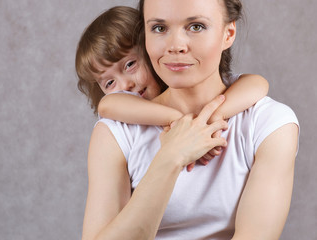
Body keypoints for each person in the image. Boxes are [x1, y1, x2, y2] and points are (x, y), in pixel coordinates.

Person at [81, 0, 299, 239]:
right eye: (159, 28)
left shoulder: (268, 123)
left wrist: (202, 123)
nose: (175, 46)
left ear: (229, 32)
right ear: (146, 38)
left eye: (196, 26)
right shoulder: (115, 132)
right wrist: (170, 157)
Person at [76, 6, 269, 170]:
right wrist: (180, 121)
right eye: (109, 83)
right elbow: (107, 105)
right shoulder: (122, 120)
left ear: (148, 49)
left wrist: (213, 118)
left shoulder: (200, 82)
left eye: (130, 65)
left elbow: (258, 83)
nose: (125, 84)